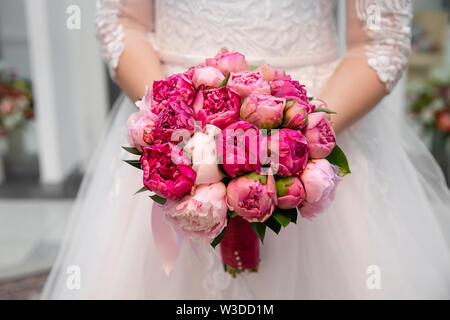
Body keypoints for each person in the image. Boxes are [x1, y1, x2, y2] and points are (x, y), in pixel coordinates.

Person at [42, 0, 450, 299]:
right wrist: (174, 127)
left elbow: (380, 41)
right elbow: (121, 22)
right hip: (174, 127)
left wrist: (300, 136)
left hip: (311, 127)